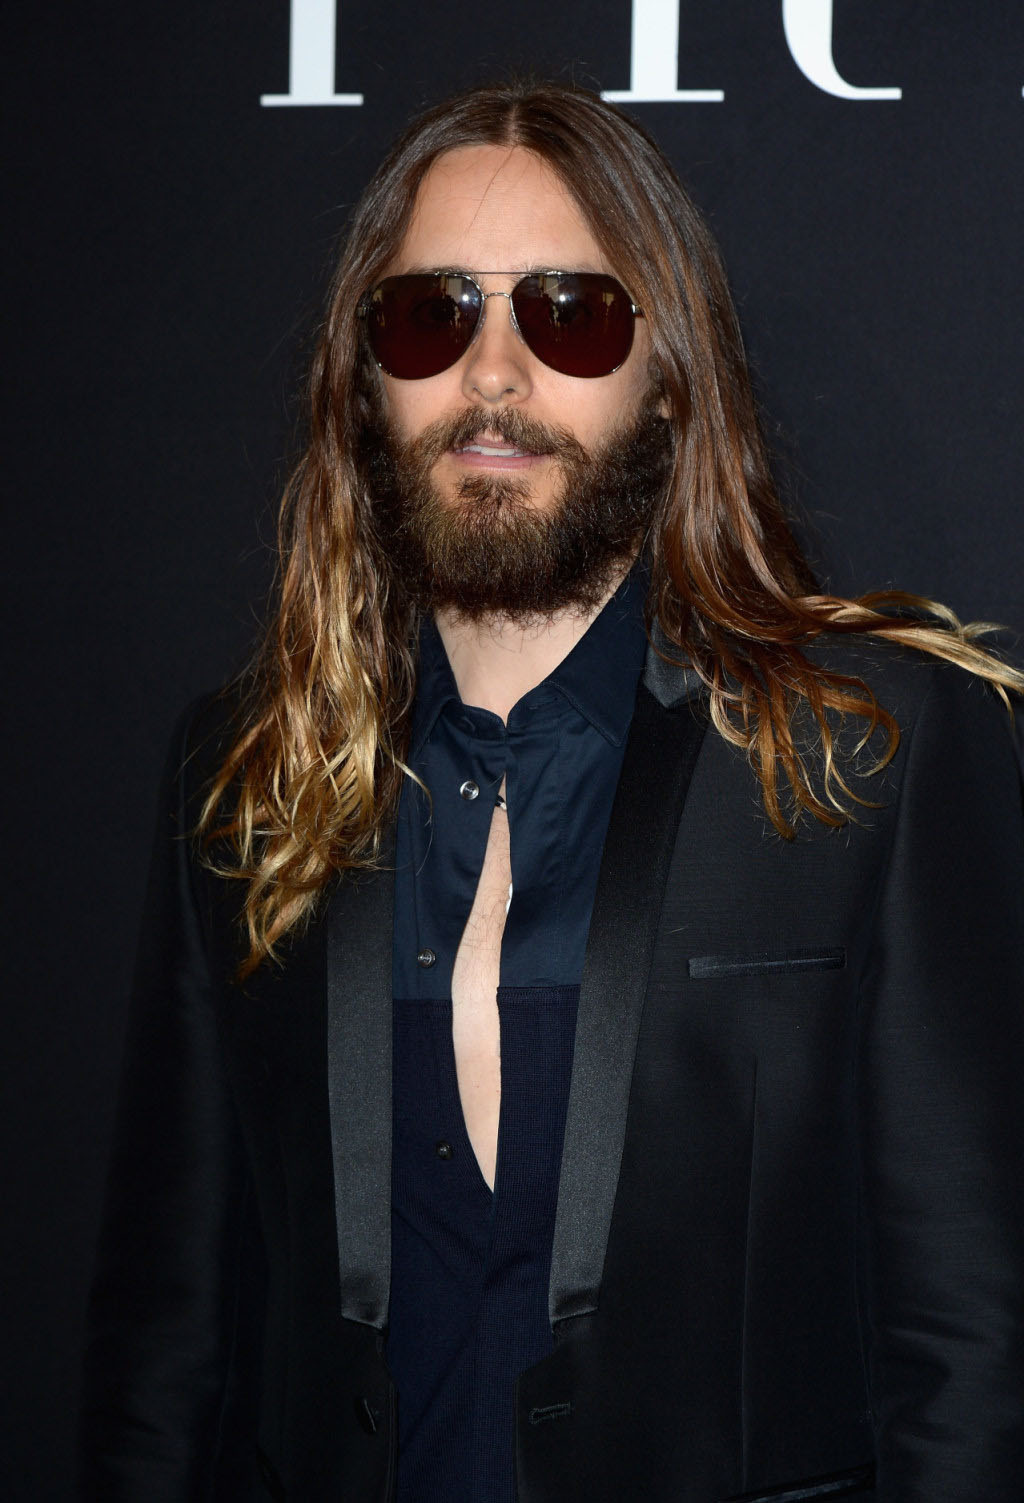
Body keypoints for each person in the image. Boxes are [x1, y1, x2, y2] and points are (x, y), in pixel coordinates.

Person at [79, 81, 1024, 1503]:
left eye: (570, 315)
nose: (495, 374)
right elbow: (166, 1356)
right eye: (432, 315)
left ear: (670, 373)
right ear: (365, 380)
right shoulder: (244, 779)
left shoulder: (866, 754)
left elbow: (971, 1349)